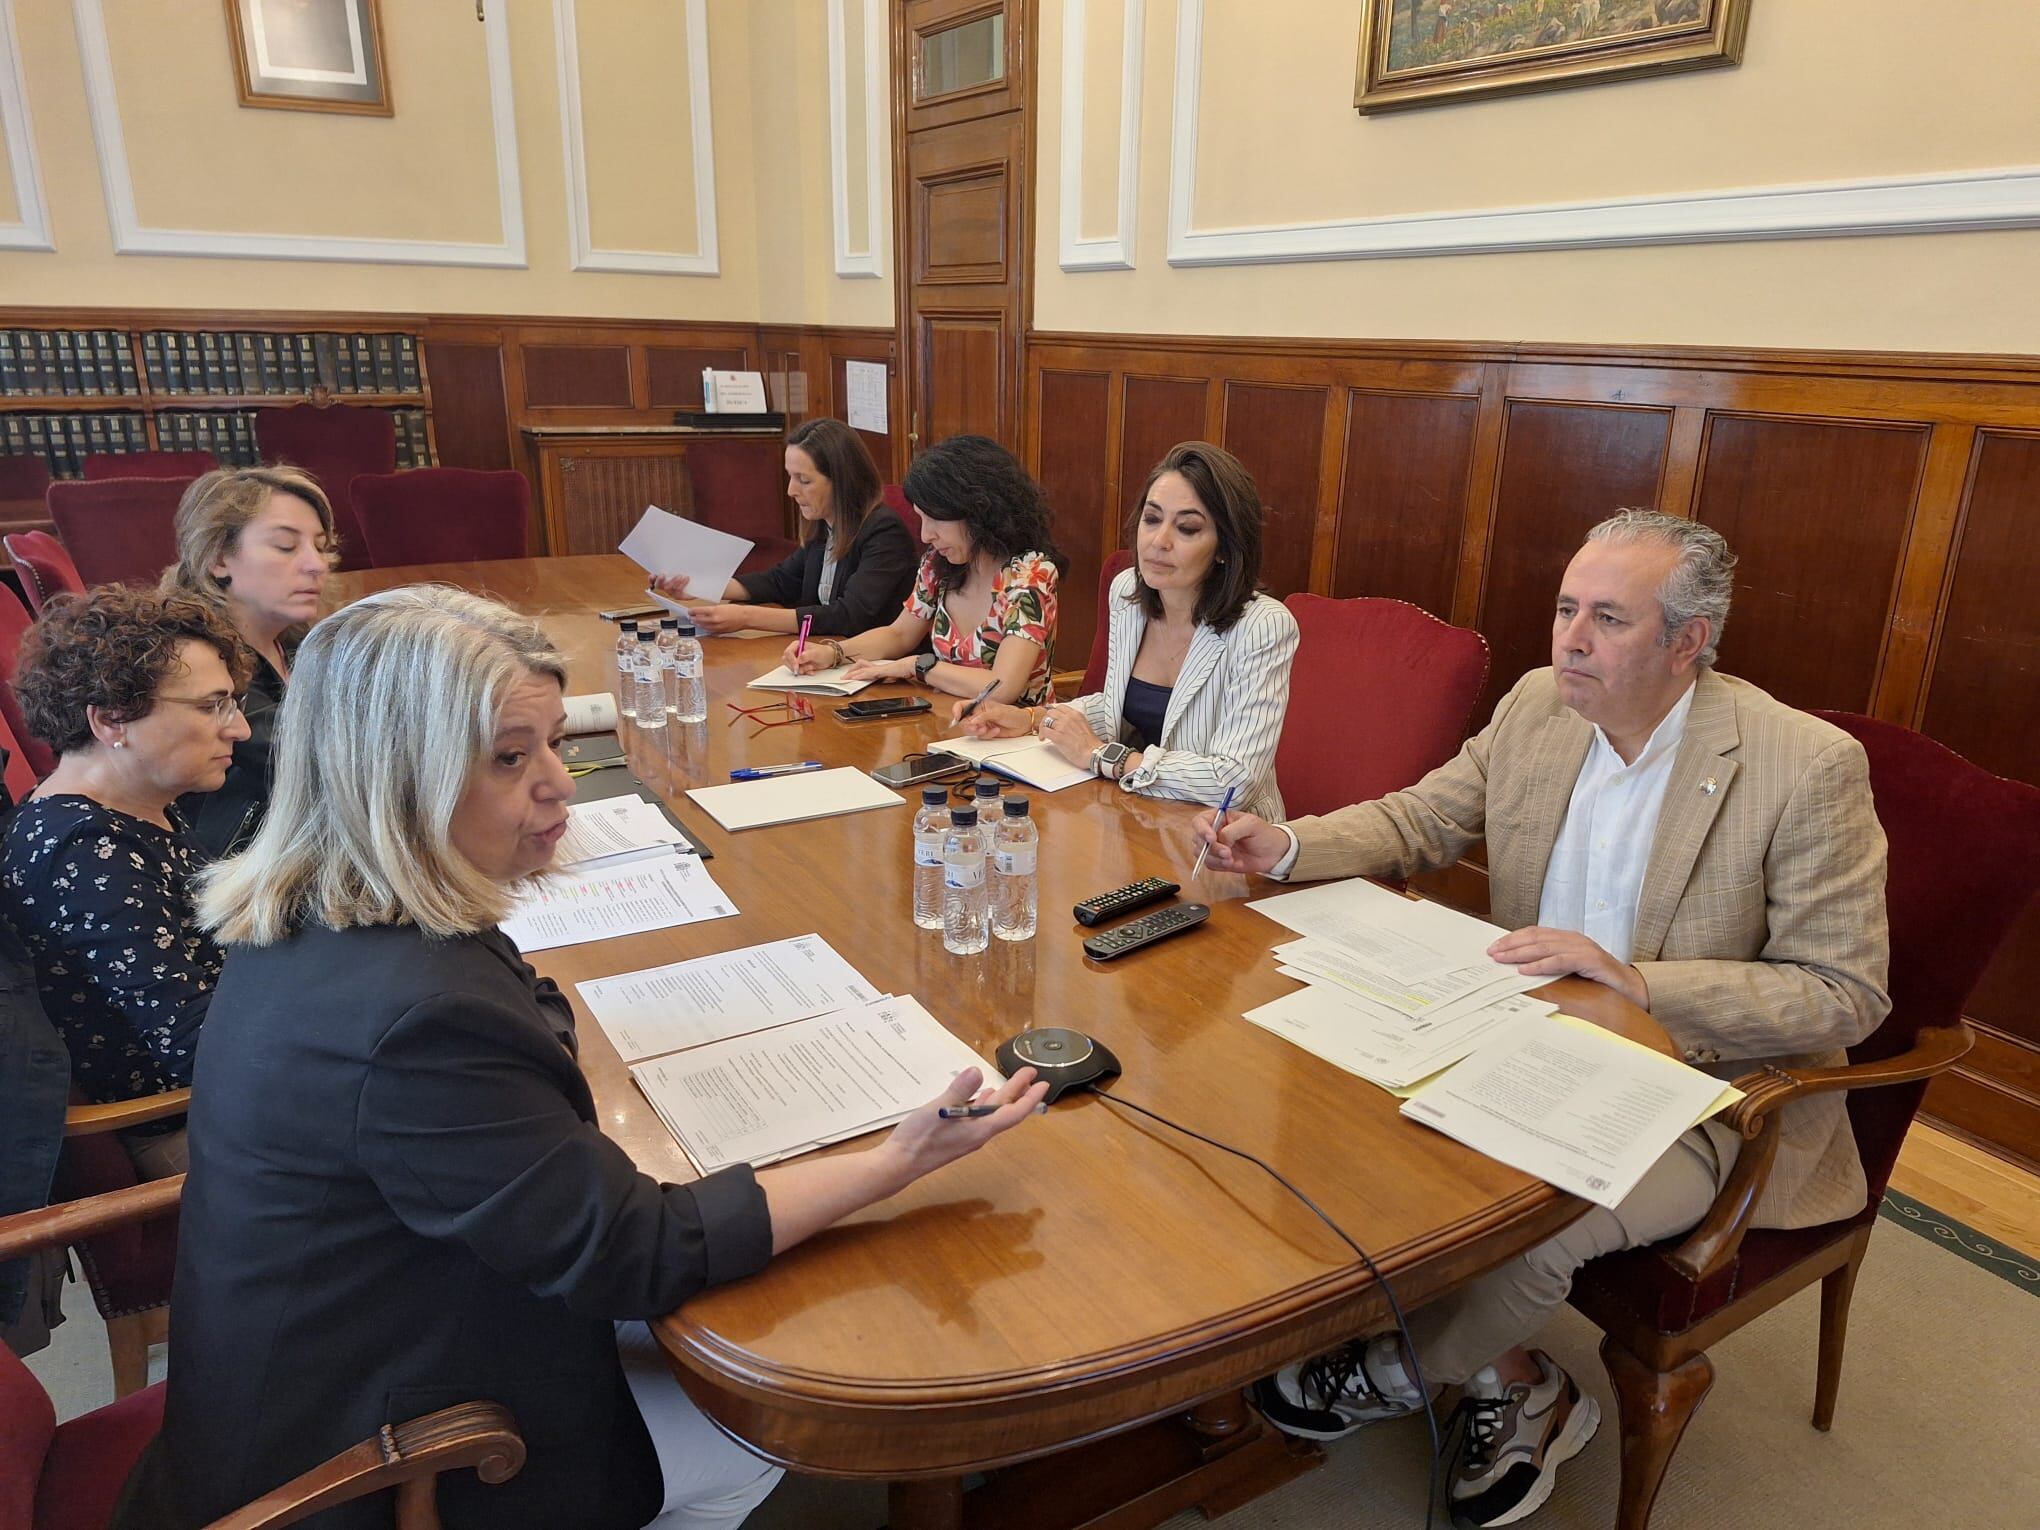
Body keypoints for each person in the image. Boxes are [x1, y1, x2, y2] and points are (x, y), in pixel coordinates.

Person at [128, 585, 1048, 1530]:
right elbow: (638, 1253)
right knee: (750, 1441)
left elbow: (527, 1007)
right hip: (376, 1465)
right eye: (509, 759)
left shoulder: (334, 902)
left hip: (317, 1359)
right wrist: (893, 1164)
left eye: (556, 744)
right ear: (397, 776)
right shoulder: (415, 1014)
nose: (561, 785)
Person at [1196, 510, 1890, 1528]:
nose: (1570, 638)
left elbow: (1846, 992)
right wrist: (1286, 846)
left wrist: (1640, 983)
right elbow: (1426, 815)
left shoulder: (1802, 766)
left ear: (1688, 641)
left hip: (1698, 1090)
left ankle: (1398, 1369)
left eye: (1608, 618)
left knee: (1533, 1231)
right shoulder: (1538, 706)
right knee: (1328, 1097)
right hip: (1513, 1024)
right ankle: (1515, 1376)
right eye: (1567, 608)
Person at [0, 588, 253, 1181]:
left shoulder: (136, 803)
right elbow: (196, 1047)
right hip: (188, 1129)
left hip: (227, 1096)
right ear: (111, 719)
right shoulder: (83, 852)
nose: (238, 727)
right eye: (211, 706)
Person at [957, 442, 1297, 818]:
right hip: (1136, 814)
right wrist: (1033, 720)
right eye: (1152, 519)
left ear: (1224, 547)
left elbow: (1234, 780)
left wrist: (1102, 756)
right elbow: (1121, 705)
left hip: (1224, 841)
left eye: (1186, 528)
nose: (1158, 541)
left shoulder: (1264, 627)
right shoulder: (1128, 593)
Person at [783, 434, 1061, 707]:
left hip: (1015, 740)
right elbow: (899, 635)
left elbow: (1002, 687)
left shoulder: (1031, 575)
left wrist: (918, 667)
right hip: (944, 723)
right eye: (921, 519)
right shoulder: (938, 565)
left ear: (978, 512)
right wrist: (832, 653)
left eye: (936, 520)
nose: (926, 535)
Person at [157, 465, 337, 858]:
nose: (316, 564)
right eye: (286, 547)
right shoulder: (200, 666)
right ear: (219, 558)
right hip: (237, 867)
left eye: (320, 546)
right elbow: (317, 769)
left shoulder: (296, 644)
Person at [648, 418, 917, 638]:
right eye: (791, 477)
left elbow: (850, 616)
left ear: (842, 481)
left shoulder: (883, 533)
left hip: (872, 667)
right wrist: (698, 586)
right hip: (822, 652)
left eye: (804, 480)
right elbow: (781, 581)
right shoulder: (825, 524)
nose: (791, 491)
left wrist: (746, 617)